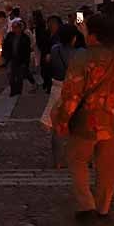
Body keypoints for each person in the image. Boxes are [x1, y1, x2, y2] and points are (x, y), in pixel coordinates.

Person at [53, 14, 114, 221]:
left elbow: (71, 95)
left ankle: (86, 205)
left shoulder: (83, 58)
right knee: (108, 167)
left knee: (77, 160)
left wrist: (62, 120)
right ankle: (103, 207)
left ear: (93, 35)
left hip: (86, 123)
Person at [41, 23, 81, 168]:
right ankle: (80, 159)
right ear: (74, 38)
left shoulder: (54, 49)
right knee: (78, 127)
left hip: (57, 89)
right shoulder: (80, 53)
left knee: (56, 128)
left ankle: (57, 161)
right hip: (74, 90)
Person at [1, 18, 32, 96]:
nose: (14, 29)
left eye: (15, 27)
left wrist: (26, 62)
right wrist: (5, 56)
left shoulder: (25, 38)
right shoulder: (10, 36)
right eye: (13, 27)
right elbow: (5, 46)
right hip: (11, 59)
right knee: (11, 75)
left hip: (21, 60)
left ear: (19, 28)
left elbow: (27, 51)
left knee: (19, 76)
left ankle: (18, 90)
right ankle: (13, 90)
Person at [32, 10, 52, 93]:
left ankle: (48, 85)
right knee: (44, 68)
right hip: (44, 48)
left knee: (45, 68)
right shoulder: (41, 25)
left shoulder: (41, 26)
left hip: (45, 48)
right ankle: (46, 83)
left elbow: (42, 38)